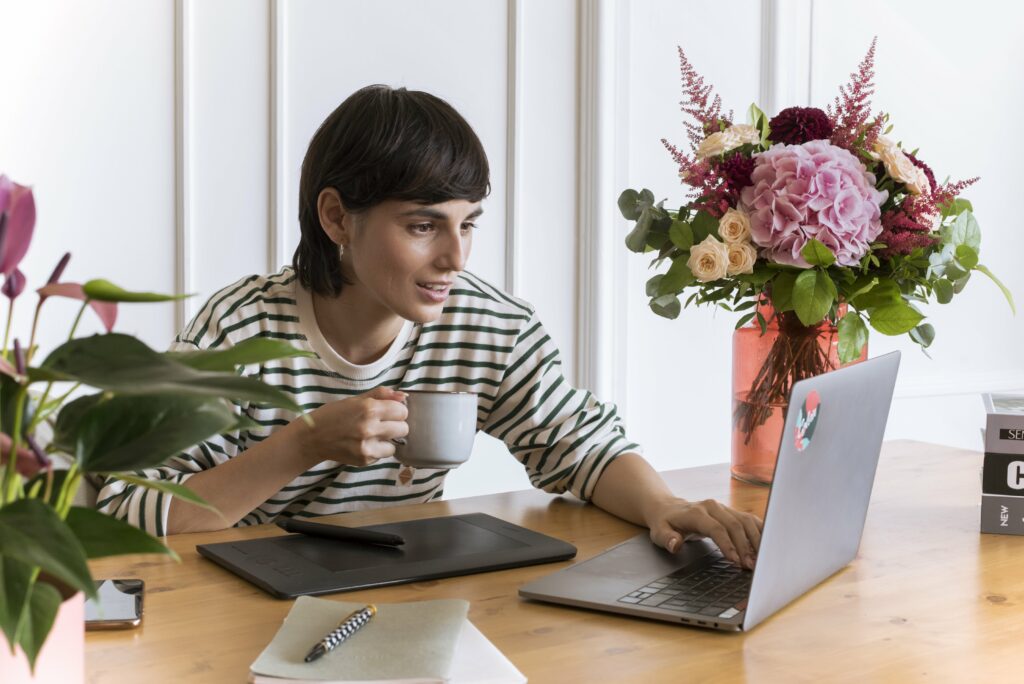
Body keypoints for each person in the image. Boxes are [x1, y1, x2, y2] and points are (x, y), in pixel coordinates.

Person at [95, 85, 762, 569]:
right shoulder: (237, 333)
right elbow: (125, 509)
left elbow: (579, 445)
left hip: (406, 593)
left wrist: (660, 506)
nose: (455, 258)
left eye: (467, 223)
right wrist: (304, 443)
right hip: (236, 613)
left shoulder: (487, 324)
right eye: (422, 226)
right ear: (336, 219)